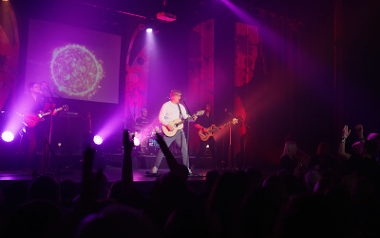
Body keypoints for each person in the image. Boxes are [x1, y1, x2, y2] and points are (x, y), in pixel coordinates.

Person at [151, 89, 197, 174]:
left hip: (179, 132)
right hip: (169, 132)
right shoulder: (166, 105)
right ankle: (155, 167)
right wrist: (167, 125)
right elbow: (160, 117)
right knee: (163, 149)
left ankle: (186, 168)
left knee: (184, 150)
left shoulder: (181, 106)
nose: (180, 97)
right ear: (172, 96)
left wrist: (192, 118)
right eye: (178, 95)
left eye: (180, 95)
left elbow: (185, 117)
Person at [23, 82, 56, 170]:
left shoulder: (40, 99)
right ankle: (27, 166)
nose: (38, 88)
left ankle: (42, 166)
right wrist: (33, 115)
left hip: (40, 122)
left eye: (38, 86)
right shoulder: (26, 98)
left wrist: (50, 111)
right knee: (33, 144)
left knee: (47, 143)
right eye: (36, 86)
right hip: (30, 122)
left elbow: (42, 111)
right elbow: (22, 111)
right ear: (31, 88)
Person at [194, 103, 219, 169]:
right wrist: (203, 128)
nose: (209, 107)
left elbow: (213, 126)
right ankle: (194, 165)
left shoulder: (211, 116)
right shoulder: (201, 116)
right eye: (207, 106)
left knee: (214, 150)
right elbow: (196, 125)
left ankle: (215, 166)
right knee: (201, 151)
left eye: (209, 106)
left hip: (210, 136)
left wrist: (218, 128)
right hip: (203, 135)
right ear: (205, 107)